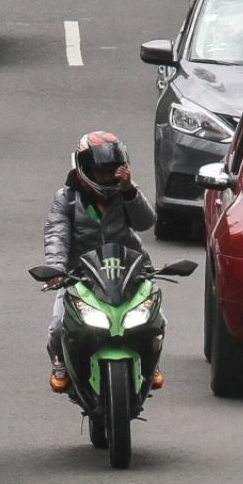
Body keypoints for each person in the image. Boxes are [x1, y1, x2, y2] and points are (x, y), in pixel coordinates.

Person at [43, 132, 157, 393]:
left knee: (154, 317)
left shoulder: (126, 192)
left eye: (111, 172)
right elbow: (56, 235)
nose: (107, 178)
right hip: (80, 274)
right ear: (84, 170)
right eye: (100, 172)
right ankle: (60, 360)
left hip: (128, 269)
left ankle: (151, 363)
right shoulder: (67, 199)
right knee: (58, 326)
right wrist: (57, 269)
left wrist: (130, 192)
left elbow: (146, 222)